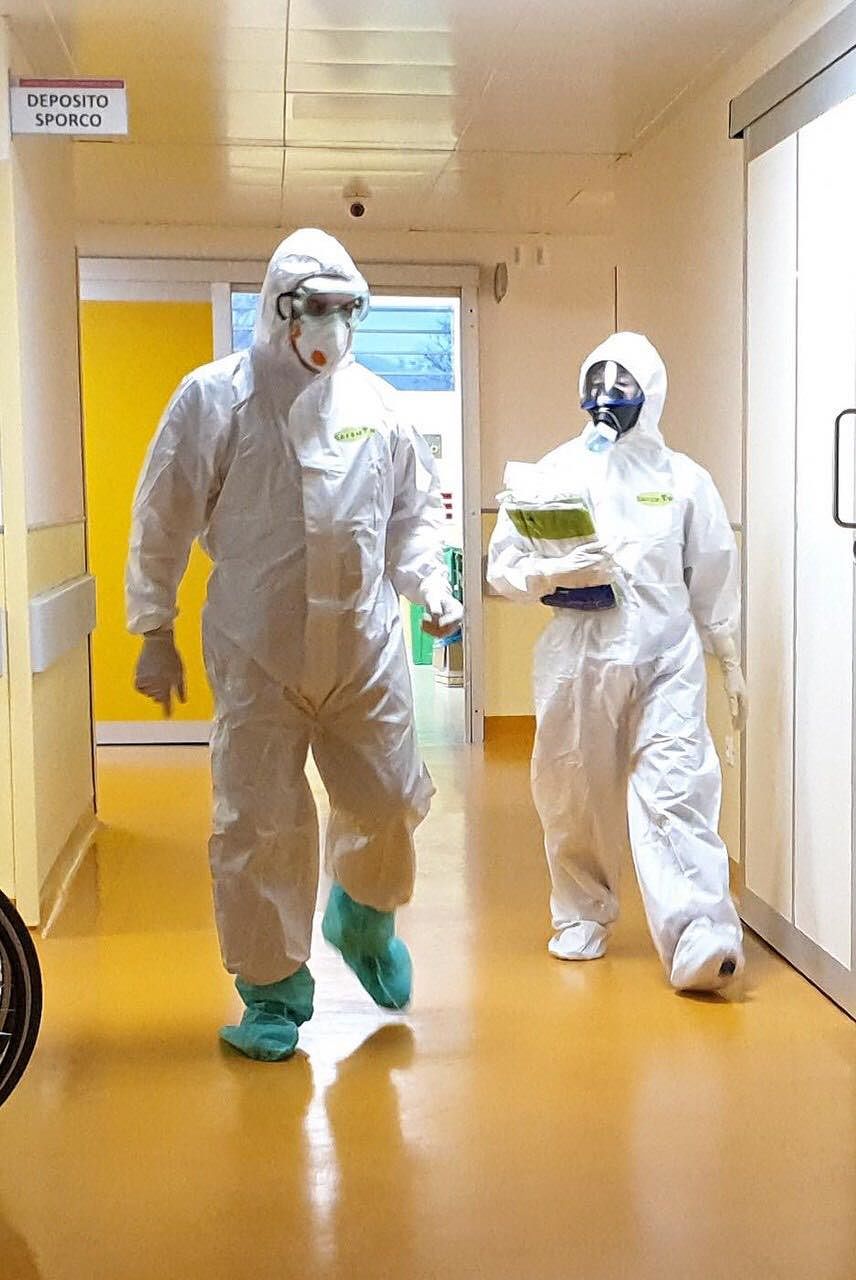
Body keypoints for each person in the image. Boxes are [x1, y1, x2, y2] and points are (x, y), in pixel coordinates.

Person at [127, 229, 462, 1059]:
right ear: (281, 308)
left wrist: (430, 585)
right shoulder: (215, 401)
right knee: (259, 823)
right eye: (319, 309)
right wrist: (154, 627)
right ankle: (272, 992)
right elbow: (163, 515)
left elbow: (411, 516)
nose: (333, 328)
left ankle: (363, 916)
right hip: (259, 653)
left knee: (389, 798)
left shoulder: (378, 407)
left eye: (349, 311)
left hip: (364, 649)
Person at [487, 332, 747, 993]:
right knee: (573, 791)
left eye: (622, 381)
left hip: (666, 658)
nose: (606, 394)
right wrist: (548, 573)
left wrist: (728, 654)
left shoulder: (683, 480)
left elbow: (712, 572)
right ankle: (581, 913)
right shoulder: (554, 472)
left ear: (650, 391)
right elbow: (502, 565)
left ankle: (700, 932)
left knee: (677, 789)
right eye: (596, 379)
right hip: (578, 656)